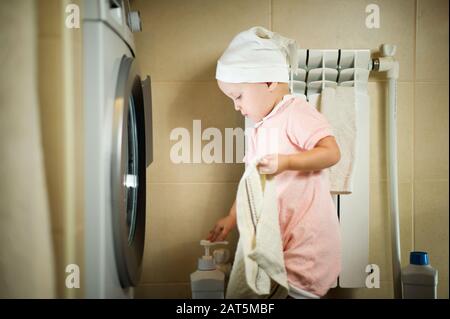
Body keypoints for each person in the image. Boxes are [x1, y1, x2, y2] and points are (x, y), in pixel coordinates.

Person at [206, 26, 341, 298]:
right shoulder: (257, 129)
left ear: (269, 82)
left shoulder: (295, 112)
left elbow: (331, 152)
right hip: (279, 244)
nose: (236, 106)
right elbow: (251, 183)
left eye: (238, 96)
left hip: (307, 244)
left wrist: (288, 162)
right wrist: (232, 217)